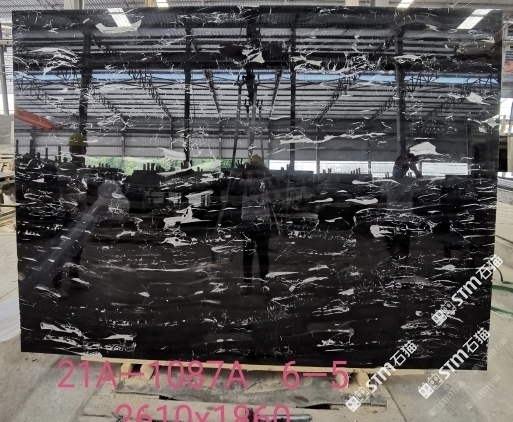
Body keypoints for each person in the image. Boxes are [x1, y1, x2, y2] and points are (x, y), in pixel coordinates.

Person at [236, 155, 275, 287]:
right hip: (251, 222)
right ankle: (250, 283)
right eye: (253, 168)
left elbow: (274, 184)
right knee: (250, 255)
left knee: (259, 255)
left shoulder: (265, 181)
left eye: (257, 168)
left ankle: (260, 283)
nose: (255, 171)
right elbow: (233, 187)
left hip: (259, 222)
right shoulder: (245, 182)